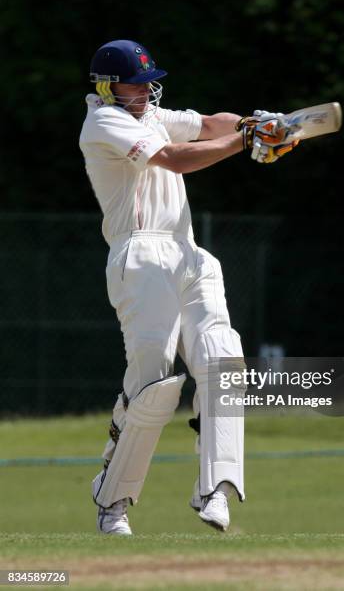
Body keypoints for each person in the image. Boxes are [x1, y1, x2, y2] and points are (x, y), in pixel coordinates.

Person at [79, 39, 297, 535]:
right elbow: (176, 159)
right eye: (135, 82)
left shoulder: (151, 114)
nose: (146, 89)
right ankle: (111, 500)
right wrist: (246, 142)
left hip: (187, 251)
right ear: (107, 87)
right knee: (154, 383)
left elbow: (206, 124)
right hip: (139, 254)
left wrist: (257, 122)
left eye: (148, 80)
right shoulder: (103, 124)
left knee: (223, 362)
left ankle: (216, 491)